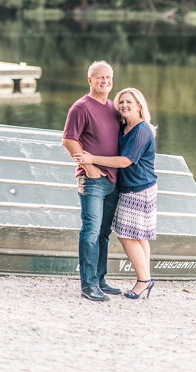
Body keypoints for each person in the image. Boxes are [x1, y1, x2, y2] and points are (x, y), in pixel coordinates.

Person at [75, 87, 158, 299]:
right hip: (130, 186)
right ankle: (146, 278)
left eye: (129, 102)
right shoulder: (125, 127)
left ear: (139, 106)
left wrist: (92, 158)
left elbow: (125, 161)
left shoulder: (142, 130)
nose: (124, 106)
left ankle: (143, 281)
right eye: (121, 102)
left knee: (126, 235)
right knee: (138, 236)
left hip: (139, 188)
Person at [62, 60, 123, 302]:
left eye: (109, 77)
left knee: (103, 234)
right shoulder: (81, 107)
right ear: (90, 80)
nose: (105, 81)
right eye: (100, 77)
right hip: (93, 180)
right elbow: (68, 140)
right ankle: (88, 285)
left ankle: (100, 280)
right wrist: (89, 167)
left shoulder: (113, 108)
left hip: (113, 180)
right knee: (91, 231)